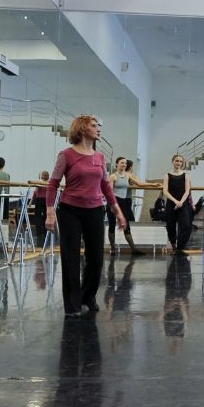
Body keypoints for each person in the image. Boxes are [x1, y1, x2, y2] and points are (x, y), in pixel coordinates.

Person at [45, 115, 126, 317]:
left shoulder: (100, 157)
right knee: (71, 259)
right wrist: (50, 212)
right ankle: (72, 305)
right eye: (94, 125)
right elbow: (53, 184)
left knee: (96, 259)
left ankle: (87, 296)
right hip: (70, 211)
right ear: (82, 129)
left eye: (98, 125)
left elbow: (106, 186)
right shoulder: (66, 155)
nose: (98, 128)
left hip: (95, 210)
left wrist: (117, 210)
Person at [107, 156, 147, 256]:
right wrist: (112, 205)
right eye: (122, 163)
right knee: (112, 224)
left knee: (126, 225)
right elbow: (109, 192)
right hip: (113, 201)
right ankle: (113, 249)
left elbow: (139, 184)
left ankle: (133, 249)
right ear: (117, 164)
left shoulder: (127, 175)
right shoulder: (113, 176)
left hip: (123, 202)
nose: (124, 165)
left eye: (125, 163)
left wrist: (155, 184)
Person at [162, 154, 193, 254]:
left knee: (186, 225)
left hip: (183, 203)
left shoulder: (186, 175)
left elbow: (187, 191)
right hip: (171, 203)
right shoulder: (167, 175)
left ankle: (180, 248)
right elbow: (165, 191)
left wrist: (181, 202)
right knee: (170, 226)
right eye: (177, 161)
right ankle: (174, 248)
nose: (178, 163)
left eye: (180, 161)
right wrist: (175, 201)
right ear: (173, 161)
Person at [32, 170, 50, 243]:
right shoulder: (49, 182)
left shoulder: (39, 182)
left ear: (42, 176)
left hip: (39, 199)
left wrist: (31, 201)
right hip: (46, 200)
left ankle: (39, 232)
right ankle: (46, 231)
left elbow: (35, 192)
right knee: (46, 215)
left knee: (37, 216)